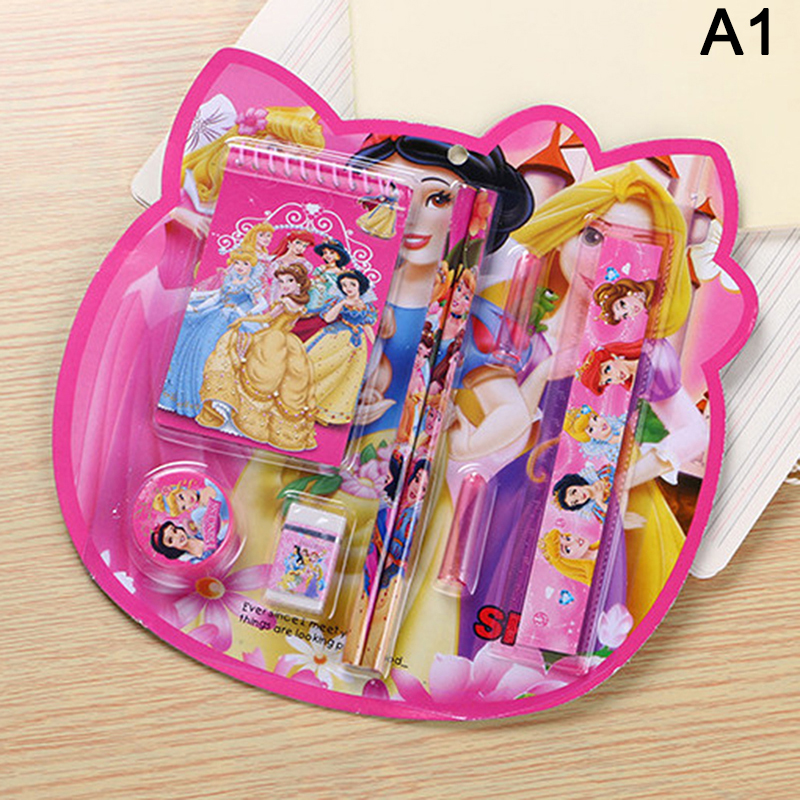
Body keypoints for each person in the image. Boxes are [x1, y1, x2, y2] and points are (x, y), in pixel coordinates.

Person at [196, 262, 318, 451]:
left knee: (235, 348)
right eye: (281, 281)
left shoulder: (285, 302)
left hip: (271, 338)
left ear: (299, 283)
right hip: (288, 341)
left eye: (289, 281)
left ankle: (229, 409)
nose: (284, 285)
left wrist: (243, 318)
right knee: (284, 380)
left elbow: (267, 318)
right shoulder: (300, 304)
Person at [159, 250, 265, 417]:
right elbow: (216, 298)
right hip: (215, 316)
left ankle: (213, 401)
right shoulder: (230, 279)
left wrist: (245, 314)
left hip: (232, 320)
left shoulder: (252, 284)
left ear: (251, 266)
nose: (240, 267)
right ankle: (188, 396)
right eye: (237, 263)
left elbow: (262, 303)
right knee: (199, 350)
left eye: (245, 264)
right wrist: (199, 308)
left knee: (217, 355)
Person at [305, 269, 378, 425]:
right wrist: (342, 303)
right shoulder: (338, 301)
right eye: (344, 285)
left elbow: (367, 326)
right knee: (320, 367)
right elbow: (328, 318)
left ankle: (323, 410)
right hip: (336, 337)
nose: (348, 288)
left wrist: (377, 346)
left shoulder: (367, 307)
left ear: (360, 286)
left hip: (357, 343)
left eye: (352, 284)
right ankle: (302, 402)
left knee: (346, 377)